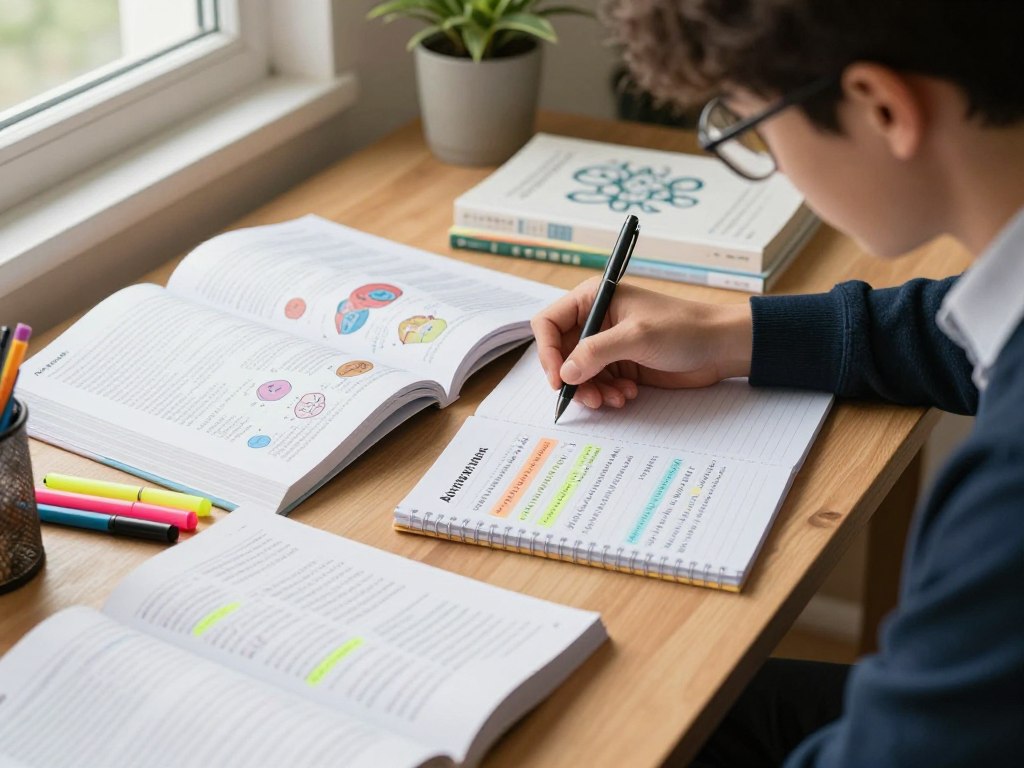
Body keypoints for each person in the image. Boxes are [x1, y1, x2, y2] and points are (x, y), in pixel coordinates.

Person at [530, 1, 1024, 765]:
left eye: (755, 128)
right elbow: (955, 333)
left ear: (882, 106)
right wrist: (729, 336)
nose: (776, 162)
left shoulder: (1006, 496)